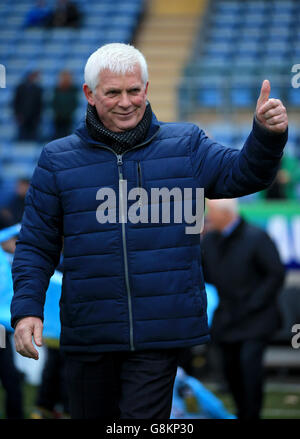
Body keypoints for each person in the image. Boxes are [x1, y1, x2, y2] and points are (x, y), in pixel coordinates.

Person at [10, 43, 288, 419]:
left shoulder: (186, 144)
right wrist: (27, 310)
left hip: (162, 330)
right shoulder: (58, 159)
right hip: (89, 331)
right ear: (90, 95)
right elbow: (35, 244)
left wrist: (266, 136)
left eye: (134, 90)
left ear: (146, 88)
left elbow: (243, 173)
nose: (126, 102)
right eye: (113, 93)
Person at [201, 198, 285, 419]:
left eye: (212, 212)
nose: (208, 217)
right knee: (231, 371)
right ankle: (242, 412)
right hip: (227, 317)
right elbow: (204, 273)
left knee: (250, 369)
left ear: (226, 213)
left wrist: (254, 302)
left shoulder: (257, 237)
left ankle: (251, 415)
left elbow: (275, 273)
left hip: (256, 318)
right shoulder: (209, 242)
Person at [12, 71, 43, 142]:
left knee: (33, 137)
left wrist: (38, 116)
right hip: (22, 117)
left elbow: (40, 104)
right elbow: (16, 102)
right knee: (22, 137)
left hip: (34, 118)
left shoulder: (38, 89)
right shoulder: (20, 88)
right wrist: (17, 114)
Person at [52, 71, 78, 139]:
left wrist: (68, 113)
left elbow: (74, 103)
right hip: (58, 117)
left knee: (67, 135)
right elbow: (54, 103)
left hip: (68, 117)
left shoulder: (73, 90)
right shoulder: (56, 89)